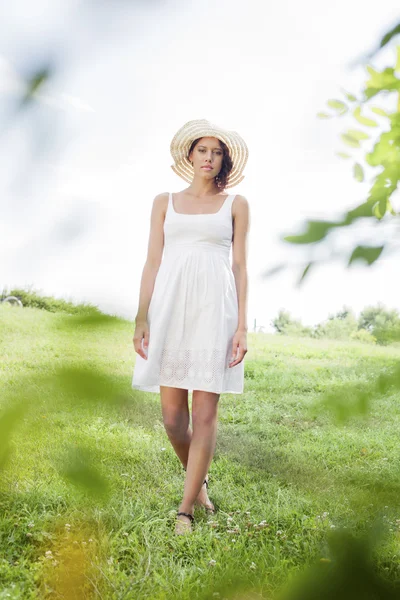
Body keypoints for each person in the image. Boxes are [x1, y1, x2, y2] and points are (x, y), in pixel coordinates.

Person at [132, 118, 250, 534]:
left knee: (204, 415)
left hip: (214, 311)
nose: (209, 158)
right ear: (190, 155)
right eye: (203, 150)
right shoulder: (164, 201)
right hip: (170, 307)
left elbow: (239, 266)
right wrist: (142, 315)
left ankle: (186, 509)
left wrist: (242, 328)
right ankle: (198, 483)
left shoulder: (236, 204)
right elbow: (152, 261)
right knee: (171, 418)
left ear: (225, 162)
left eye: (217, 152)